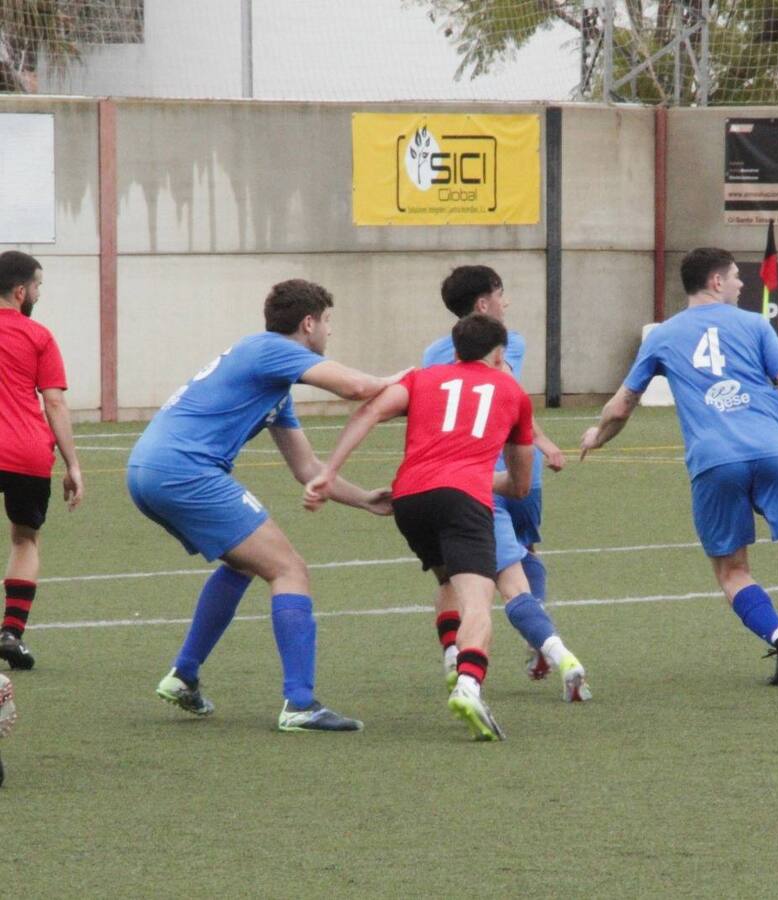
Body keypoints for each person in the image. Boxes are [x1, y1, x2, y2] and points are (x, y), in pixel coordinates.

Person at [580, 247, 778, 686]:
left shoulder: (663, 336)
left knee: (732, 571)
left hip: (713, 461)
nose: (743, 284)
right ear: (715, 282)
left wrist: (597, 435)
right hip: (770, 450)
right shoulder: (755, 324)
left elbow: (622, 405)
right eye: (736, 276)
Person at [127, 279, 400, 733]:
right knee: (289, 569)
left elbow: (307, 467)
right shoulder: (271, 349)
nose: (329, 333)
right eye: (327, 322)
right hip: (184, 471)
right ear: (308, 323)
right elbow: (356, 388)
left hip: (150, 470)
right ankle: (300, 703)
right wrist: (406, 379)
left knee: (243, 565)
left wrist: (366, 501)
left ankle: (184, 675)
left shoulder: (271, 381)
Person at [305, 313, 534, 742]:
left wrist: (329, 472)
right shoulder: (514, 393)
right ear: (499, 353)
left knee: (446, 577)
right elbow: (519, 486)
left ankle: (451, 655)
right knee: (478, 603)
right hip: (463, 499)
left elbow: (369, 412)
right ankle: (468, 684)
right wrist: (472, 478)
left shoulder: (422, 378)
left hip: (408, 498)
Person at [421, 266, 589, 702]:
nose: (506, 302)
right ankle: (540, 642)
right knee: (524, 555)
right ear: (483, 305)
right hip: (517, 473)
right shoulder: (510, 343)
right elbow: (506, 398)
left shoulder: (431, 355)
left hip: (468, 480)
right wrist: (546, 443)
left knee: (453, 576)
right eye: (501, 293)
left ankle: (454, 655)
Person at [0, 251, 83, 671]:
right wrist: (72, 464)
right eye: (37, 287)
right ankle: (11, 632)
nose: (37, 294)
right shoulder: (39, 336)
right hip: (27, 451)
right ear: (20, 291)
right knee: (24, 539)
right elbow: (54, 402)